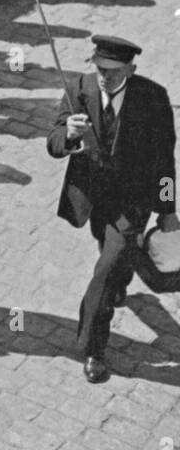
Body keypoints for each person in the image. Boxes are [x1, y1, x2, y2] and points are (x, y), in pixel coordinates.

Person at [46, 35, 177, 382]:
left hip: (133, 202)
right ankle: (120, 278)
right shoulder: (78, 89)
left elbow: (166, 159)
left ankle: (93, 349)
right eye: (101, 69)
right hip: (93, 199)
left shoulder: (153, 98)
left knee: (104, 272)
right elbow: (54, 143)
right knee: (112, 256)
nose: (106, 77)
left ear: (131, 69)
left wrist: (167, 209)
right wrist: (70, 135)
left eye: (115, 72)